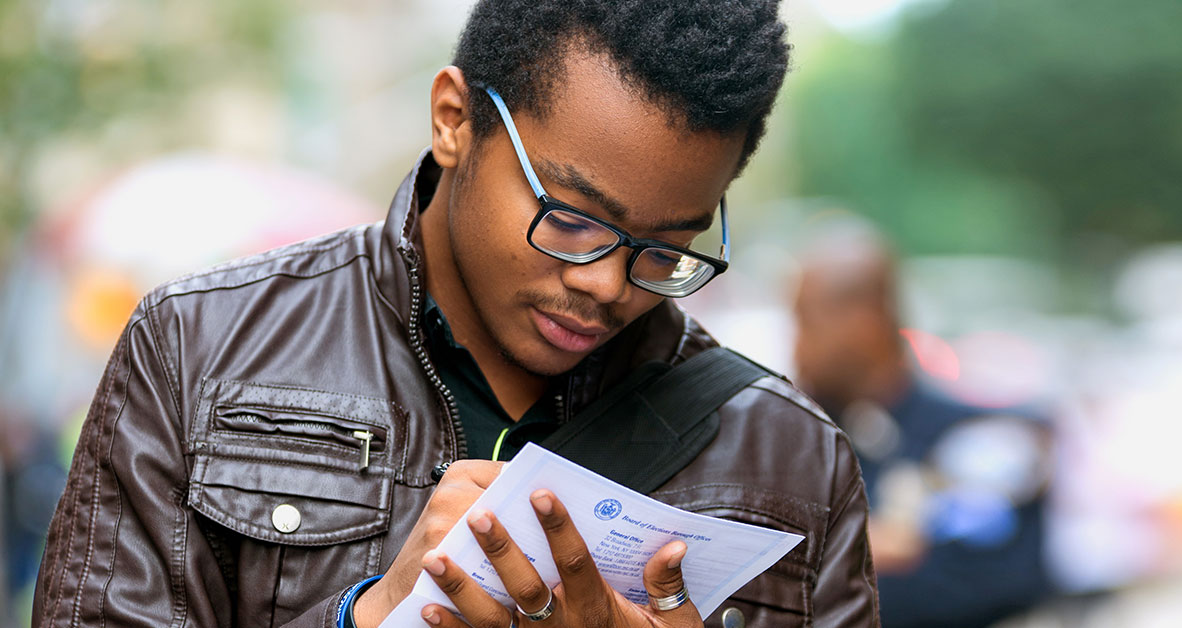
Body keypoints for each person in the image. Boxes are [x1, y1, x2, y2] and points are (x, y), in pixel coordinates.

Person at [34, 2, 879, 627]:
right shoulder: (201, 349)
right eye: (574, 220)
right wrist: (365, 619)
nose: (609, 286)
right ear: (454, 120)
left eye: (665, 246)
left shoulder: (793, 461)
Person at [792, 219, 1051, 628]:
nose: (797, 346)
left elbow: (985, 586)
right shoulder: (803, 436)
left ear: (865, 319)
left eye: (806, 320)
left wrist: (825, 553)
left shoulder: (980, 438)